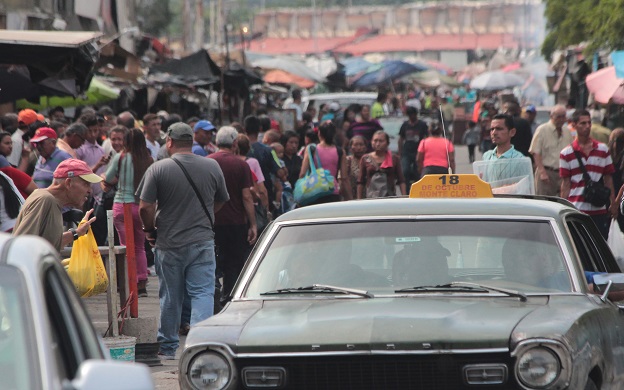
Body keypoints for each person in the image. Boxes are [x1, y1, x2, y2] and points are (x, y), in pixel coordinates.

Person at [138, 122, 229, 360]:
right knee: (202, 293)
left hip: (169, 242)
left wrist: (150, 230)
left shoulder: (158, 169)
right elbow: (220, 201)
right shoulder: (212, 165)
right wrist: (203, 217)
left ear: (169, 142)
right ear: (191, 141)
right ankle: (200, 345)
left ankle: (168, 348)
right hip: (202, 241)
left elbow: (145, 207)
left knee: (171, 296)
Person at [207, 126, 257, 302]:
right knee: (233, 264)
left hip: (211, 221)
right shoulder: (241, 165)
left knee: (211, 259)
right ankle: (228, 297)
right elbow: (246, 196)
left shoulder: (207, 162)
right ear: (235, 143)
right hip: (236, 223)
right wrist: (253, 224)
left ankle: (211, 290)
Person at [104, 128, 153, 298]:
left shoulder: (121, 157)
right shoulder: (149, 160)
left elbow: (108, 178)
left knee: (126, 247)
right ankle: (141, 283)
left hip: (121, 205)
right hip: (139, 206)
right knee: (139, 246)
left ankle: (128, 283)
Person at [13, 159, 100, 252]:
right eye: (86, 184)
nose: (90, 190)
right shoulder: (45, 200)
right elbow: (21, 245)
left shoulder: (51, 201)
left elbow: (48, 244)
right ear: (68, 183)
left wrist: (78, 232)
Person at [560, 109, 615, 239]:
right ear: (574, 125)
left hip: (599, 209)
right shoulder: (566, 153)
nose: (587, 126)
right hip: (576, 209)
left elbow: (608, 179)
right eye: (583, 123)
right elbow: (566, 183)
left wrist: (613, 204)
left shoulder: (602, 149)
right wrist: (563, 207)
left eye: (589, 123)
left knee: (599, 248)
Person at [76, 113, 111, 245]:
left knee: (99, 232)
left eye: (95, 130)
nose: (92, 134)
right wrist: (97, 165)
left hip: (99, 197)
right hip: (85, 198)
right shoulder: (80, 150)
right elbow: (81, 175)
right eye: (89, 131)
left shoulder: (101, 149)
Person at [299, 121, 352, 204]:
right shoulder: (340, 151)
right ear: (334, 134)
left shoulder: (311, 149)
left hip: (314, 191)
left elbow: (302, 173)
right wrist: (350, 199)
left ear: (319, 133)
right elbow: (344, 178)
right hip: (332, 191)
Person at [529, 105, 572, 197]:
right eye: (558, 117)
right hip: (547, 172)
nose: (561, 119)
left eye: (563, 116)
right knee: (544, 202)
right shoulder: (542, 129)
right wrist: (542, 172)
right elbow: (535, 152)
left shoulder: (567, 131)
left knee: (563, 203)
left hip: (563, 174)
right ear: (551, 116)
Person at [358, 130, 406, 199]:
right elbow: (360, 182)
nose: (377, 144)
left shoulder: (394, 158)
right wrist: (359, 199)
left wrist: (404, 197)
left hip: (390, 197)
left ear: (387, 143)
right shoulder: (365, 158)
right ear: (371, 142)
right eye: (375, 141)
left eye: (381, 141)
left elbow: (401, 180)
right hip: (371, 198)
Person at [398, 106, 429, 185]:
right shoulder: (405, 125)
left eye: (413, 115)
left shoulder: (422, 125)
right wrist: (400, 152)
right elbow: (401, 139)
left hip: (418, 152)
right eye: (410, 115)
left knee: (417, 172)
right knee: (405, 170)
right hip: (407, 152)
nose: (412, 117)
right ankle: (407, 188)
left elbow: (427, 137)